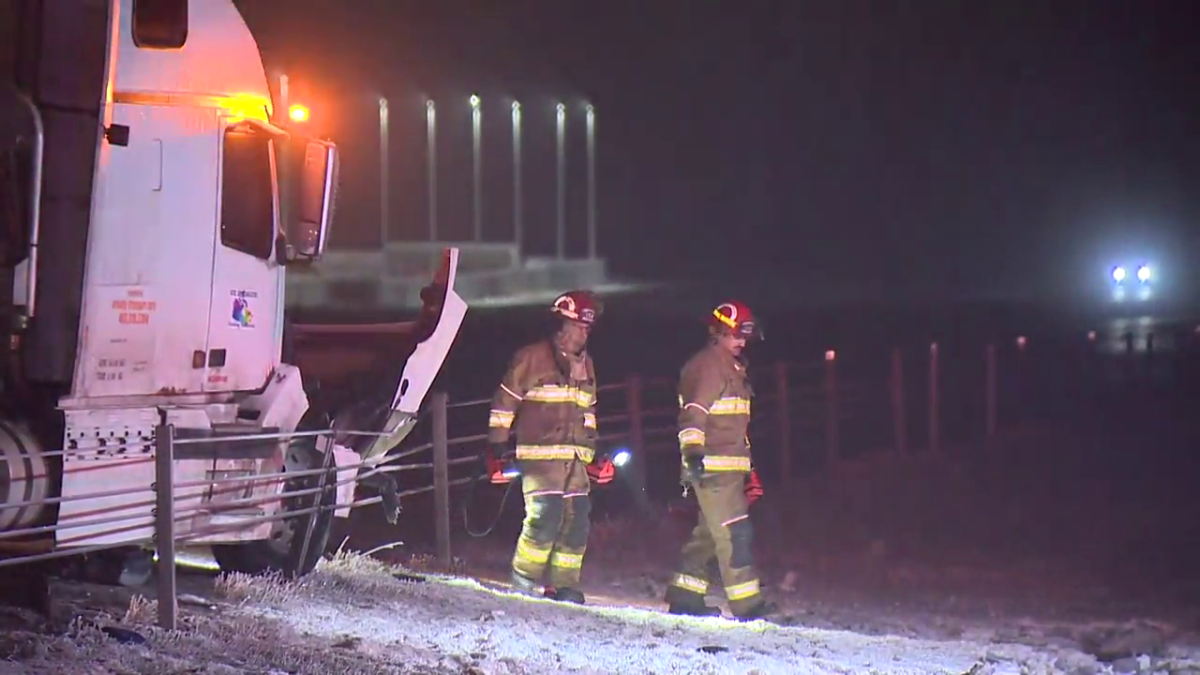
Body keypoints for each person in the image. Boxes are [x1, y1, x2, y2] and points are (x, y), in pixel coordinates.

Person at [485, 290, 614, 604]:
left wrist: (593, 456)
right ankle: (523, 581)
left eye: (588, 327)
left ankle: (563, 586)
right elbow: (504, 405)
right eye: (580, 325)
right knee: (545, 518)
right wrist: (497, 449)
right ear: (561, 324)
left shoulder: (587, 365)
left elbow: (588, 412)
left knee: (577, 522)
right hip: (540, 461)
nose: (585, 332)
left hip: (575, 462)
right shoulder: (530, 358)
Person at [664, 301, 777, 620]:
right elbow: (693, 416)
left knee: (710, 534)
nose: (742, 342)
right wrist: (694, 454)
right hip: (711, 467)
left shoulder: (732, 368)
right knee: (733, 533)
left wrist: (749, 470)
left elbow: (736, 427)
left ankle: (686, 595)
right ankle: (747, 605)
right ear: (717, 332)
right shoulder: (708, 367)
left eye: (745, 336)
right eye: (735, 335)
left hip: (729, 468)